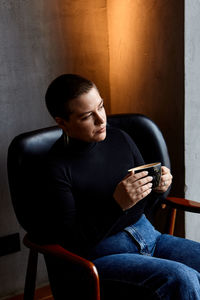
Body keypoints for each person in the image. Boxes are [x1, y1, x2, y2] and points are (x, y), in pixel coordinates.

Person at [43, 73, 200, 299]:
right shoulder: (55, 167)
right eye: (87, 116)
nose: (101, 120)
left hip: (150, 236)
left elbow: (148, 205)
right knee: (181, 278)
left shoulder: (120, 138)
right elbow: (71, 241)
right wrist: (116, 205)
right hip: (102, 255)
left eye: (101, 107)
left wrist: (158, 188)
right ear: (62, 122)